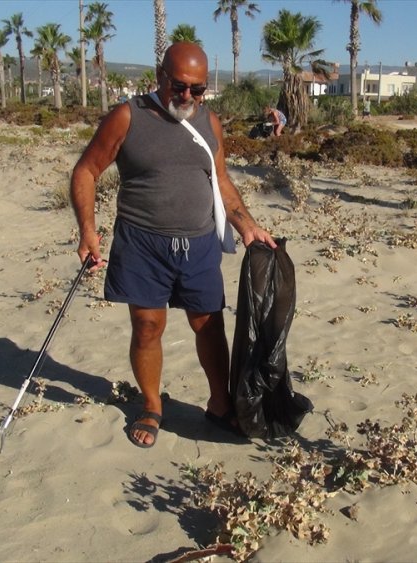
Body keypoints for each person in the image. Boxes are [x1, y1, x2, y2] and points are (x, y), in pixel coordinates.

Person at [70, 42, 277, 448]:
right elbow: (86, 171)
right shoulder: (127, 117)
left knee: (209, 324)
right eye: (178, 86)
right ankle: (151, 405)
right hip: (142, 244)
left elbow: (221, 180)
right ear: (159, 76)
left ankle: (219, 404)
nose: (186, 96)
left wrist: (247, 225)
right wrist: (87, 231)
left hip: (198, 243)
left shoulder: (209, 122)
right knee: (148, 326)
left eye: (197, 89)